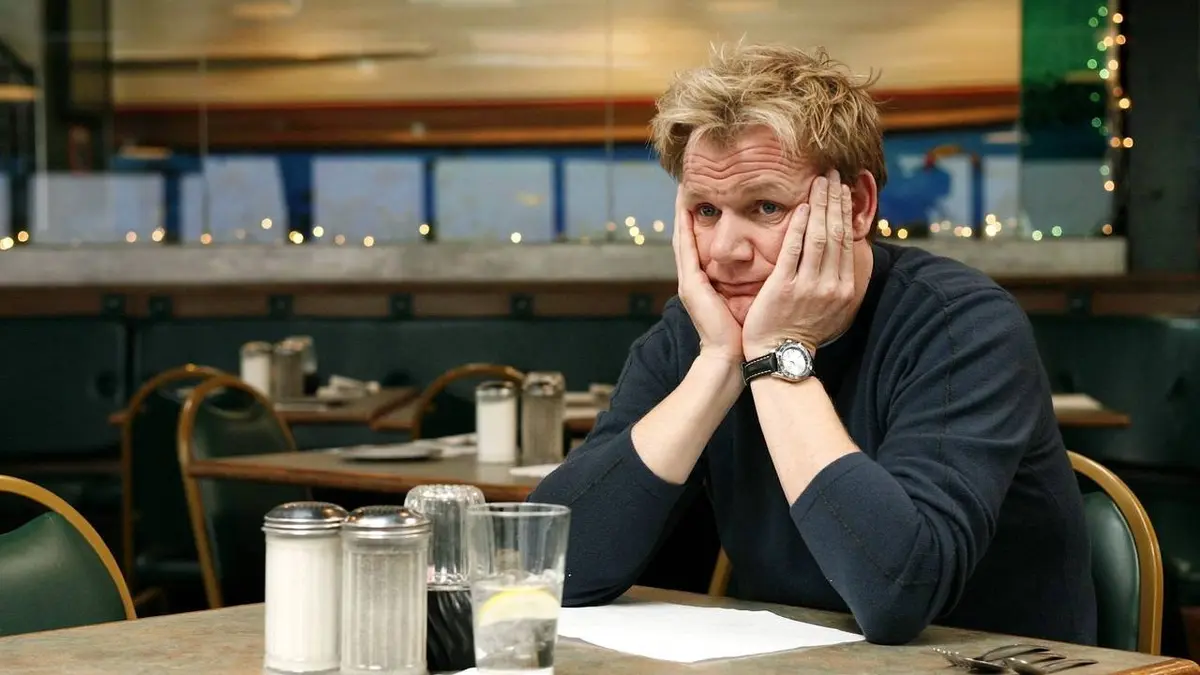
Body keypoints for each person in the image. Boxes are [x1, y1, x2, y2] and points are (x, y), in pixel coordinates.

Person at [528, 43, 1097, 645]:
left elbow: (897, 596)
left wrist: (778, 354)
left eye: (765, 207)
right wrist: (719, 362)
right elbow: (548, 571)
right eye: (705, 210)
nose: (724, 250)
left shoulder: (964, 325)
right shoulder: (695, 331)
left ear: (856, 207)